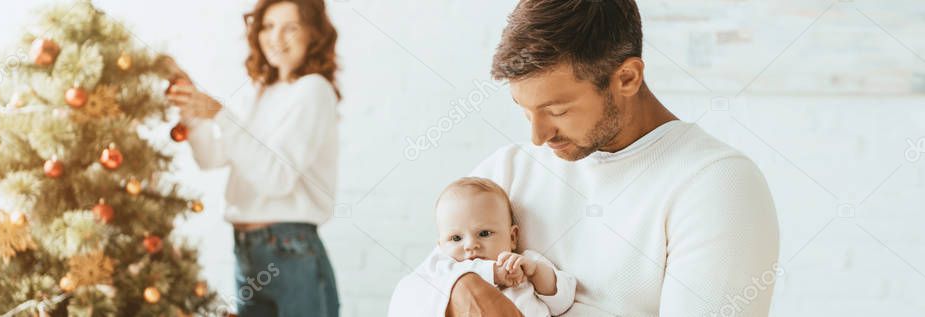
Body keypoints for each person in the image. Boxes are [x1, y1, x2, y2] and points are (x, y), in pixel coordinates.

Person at [389, 0, 780, 316]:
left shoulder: (717, 185)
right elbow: (407, 297)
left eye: (557, 111)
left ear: (626, 78)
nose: (537, 136)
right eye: (525, 112)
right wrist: (461, 289)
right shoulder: (507, 171)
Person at [164, 0, 342, 315]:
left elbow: (276, 180)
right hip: (248, 250)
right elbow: (212, 157)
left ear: (313, 35)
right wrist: (193, 111)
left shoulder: (313, 91)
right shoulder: (261, 91)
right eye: (269, 26)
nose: (276, 37)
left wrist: (220, 115)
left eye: (291, 27)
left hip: (290, 248)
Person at [389, 177, 576, 316]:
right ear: (440, 245)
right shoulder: (443, 266)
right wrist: (493, 272)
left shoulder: (526, 262)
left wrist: (535, 273)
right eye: (456, 238)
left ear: (513, 237)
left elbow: (563, 303)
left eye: (484, 234)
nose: (470, 245)